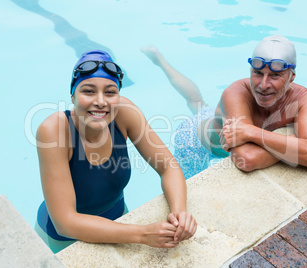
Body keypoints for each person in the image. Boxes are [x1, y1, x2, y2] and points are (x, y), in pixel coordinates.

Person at [35, 50, 197, 253]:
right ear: (73, 95)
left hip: (120, 220)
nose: (101, 101)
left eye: (110, 92)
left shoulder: (125, 112)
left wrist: (179, 212)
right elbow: (65, 222)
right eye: (88, 91)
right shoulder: (54, 131)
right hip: (64, 240)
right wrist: (143, 234)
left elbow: (168, 167)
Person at [141, 35, 307, 178]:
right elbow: (247, 159)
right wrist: (298, 143)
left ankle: (158, 58)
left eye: (275, 76)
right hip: (195, 144)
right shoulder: (236, 92)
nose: (263, 85)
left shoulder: (304, 97)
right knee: (194, 102)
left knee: (196, 101)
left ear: (291, 77)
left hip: (226, 118)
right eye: (257, 73)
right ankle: (161, 61)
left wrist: (250, 132)